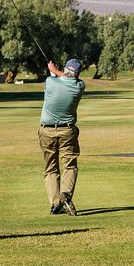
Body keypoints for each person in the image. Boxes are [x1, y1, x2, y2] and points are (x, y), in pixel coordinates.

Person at [40, 58, 86, 216]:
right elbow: (68, 78)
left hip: (46, 131)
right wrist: (56, 71)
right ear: (78, 73)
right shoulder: (79, 86)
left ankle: (55, 204)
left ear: (65, 69)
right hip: (67, 132)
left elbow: (57, 77)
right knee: (70, 166)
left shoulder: (50, 82)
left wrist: (52, 69)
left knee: (51, 168)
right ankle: (65, 195)